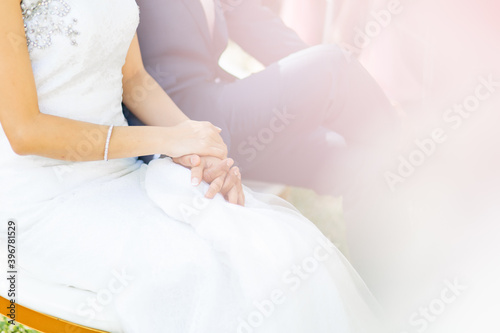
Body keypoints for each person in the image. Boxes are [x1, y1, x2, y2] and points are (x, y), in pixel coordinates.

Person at [0, 0, 382, 332]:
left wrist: (200, 145)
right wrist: (168, 141)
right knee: (197, 270)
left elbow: (134, 81)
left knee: (271, 245)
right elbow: (24, 131)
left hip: (120, 176)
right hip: (42, 201)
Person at [127, 0, 410, 294]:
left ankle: (388, 297)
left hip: (226, 116)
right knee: (336, 66)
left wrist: (317, 96)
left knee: (360, 163)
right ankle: (421, 170)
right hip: (177, 122)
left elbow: (259, 26)